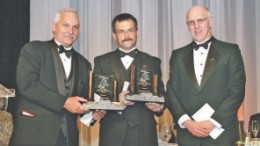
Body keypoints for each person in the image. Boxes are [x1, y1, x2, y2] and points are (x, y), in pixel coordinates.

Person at [10, 8, 106, 146]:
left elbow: (80, 102)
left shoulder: (84, 64)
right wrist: (64, 102)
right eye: (66, 25)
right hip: (33, 134)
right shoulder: (33, 50)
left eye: (75, 27)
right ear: (54, 27)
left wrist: (92, 116)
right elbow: (27, 85)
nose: (71, 31)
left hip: (68, 138)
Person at [166, 5, 246, 146]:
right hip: (188, 137)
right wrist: (187, 122)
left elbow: (237, 91)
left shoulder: (230, 51)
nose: (196, 26)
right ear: (188, 26)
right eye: (191, 22)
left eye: (200, 20)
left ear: (210, 22)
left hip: (222, 136)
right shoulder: (177, 56)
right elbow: (172, 93)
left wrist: (213, 122)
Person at [93, 13, 165, 146]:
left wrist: (159, 107)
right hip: (112, 133)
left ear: (137, 32)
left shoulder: (153, 62)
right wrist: (116, 101)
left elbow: (161, 94)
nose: (126, 35)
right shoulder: (101, 62)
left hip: (145, 133)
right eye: (121, 31)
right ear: (114, 36)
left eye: (130, 30)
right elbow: (97, 98)